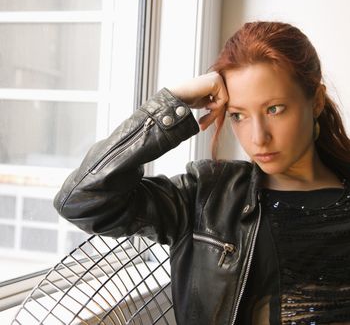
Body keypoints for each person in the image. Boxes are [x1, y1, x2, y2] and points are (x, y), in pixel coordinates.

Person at [54, 21, 350, 325]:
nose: (258, 137)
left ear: (315, 102)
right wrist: (171, 104)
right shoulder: (208, 197)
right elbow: (81, 201)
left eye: (274, 109)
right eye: (238, 115)